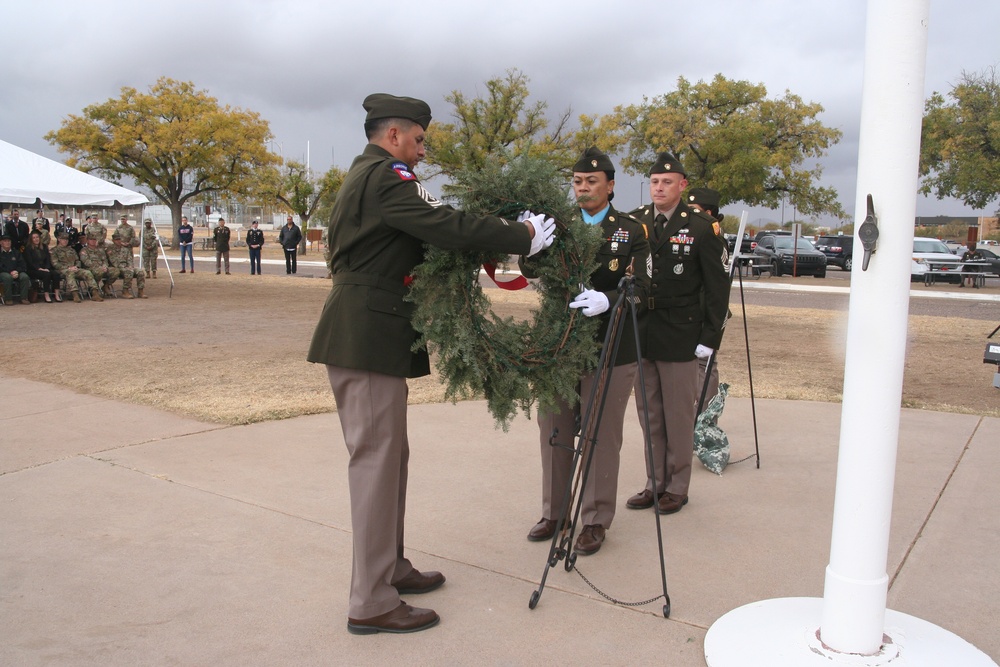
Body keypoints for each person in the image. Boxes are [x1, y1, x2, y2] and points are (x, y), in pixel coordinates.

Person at [306, 93, 555, 635]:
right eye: (418, 140)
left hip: (372, 331)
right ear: (394, 135)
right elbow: (441, 223)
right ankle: (370, 601)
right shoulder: (385, 177)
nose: (422, 152)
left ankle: (388, 568)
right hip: (365, 332)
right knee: (376, 462)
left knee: (389, 459)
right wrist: (521, 235)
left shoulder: (369, 175)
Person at [521, 147, 650, 555]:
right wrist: (532, 245)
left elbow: (647, 291)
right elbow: (530, 271)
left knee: (601, 435)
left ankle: (594, 519)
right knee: (553, 431)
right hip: (559, 344)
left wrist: (610, 299)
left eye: (591, 182)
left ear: (610, 186)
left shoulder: (632, 230)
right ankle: (555, 511)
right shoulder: (559, 226)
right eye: (577, 181)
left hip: (611, 346)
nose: (582, 188)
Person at [624, 153, 730, 515]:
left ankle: (678, 487)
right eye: (654, 181)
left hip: (681, 332)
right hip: (642, 328)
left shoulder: (701, 226)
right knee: (649, 412)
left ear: (682, 186)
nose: (659, 187)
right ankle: (655, 483)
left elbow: (718, 289)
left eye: (667, 182)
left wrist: (710, 337)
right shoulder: (636, 220)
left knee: (678, 415)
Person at [684, 187, 730, 408]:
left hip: (706, 311)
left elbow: (718, 286)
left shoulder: (713, 236)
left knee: (705, 365)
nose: (689, 215)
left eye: (695, 210)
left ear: (709, 213)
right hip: (689, 311)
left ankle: (705, 417)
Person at [51, 232, 102, 302]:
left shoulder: (71, 250)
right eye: (63, 239)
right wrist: (69, 267)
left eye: (67, 239)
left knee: (87, 272)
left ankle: (95, 293)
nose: (65, 241)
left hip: (74, 269)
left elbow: (78, 260)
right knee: (70, 273)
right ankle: (75, 294)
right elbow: (55, 264)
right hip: (62, 270)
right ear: (59, 239)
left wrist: (76, 266)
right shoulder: (54, 250)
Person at [23, 230, 62, 302]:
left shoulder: (44, 247)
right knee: (46, 275)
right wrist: (39, 268)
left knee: (56, 274)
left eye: (37, 237)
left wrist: (47, 267)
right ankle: (46, 295)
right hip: (33, 269)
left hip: (45, 268)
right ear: (31, 239)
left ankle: (57, 295)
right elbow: (30, 262)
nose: (36, 239)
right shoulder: (28, 249)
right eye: (34, 238)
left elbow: (47, 259)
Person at [107, 232, 146, 298]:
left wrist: (130, 266)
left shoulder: (125, 249)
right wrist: (126, 268)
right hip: (117, 268)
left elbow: (130, 259)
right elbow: (113, 262)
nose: (118, 241)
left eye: (119, 239)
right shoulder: (110, 249)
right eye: (117, 240)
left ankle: (140, 291)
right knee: (129, 272)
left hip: (127, 267)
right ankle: (125, 291)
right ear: (113, 241)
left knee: (140, 272)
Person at [0, 234, 32, 304]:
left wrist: (17, 271)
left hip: (16, 272)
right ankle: (8, 299)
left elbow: (23, 265)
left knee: (24, 276)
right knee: (7, 277)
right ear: (1, 243)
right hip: (3, 273)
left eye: (9, 241)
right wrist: (10, 272)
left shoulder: (16, 252)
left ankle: (24, 298)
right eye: (5, 241)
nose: (7, 243)